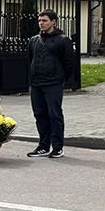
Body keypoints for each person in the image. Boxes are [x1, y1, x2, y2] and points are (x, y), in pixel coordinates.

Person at [26, 10, 76, 159]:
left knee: (54, 115)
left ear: (53, 22)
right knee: (39, 114)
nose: (41, 23)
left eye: (44, 20)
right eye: (39, 20)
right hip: (36, 83)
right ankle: (43, 146)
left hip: (53, 83)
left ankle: (57, 147)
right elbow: (30, 60)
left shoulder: (63, 40)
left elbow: (69, 63)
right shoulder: (34, 40)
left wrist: (60, 78)